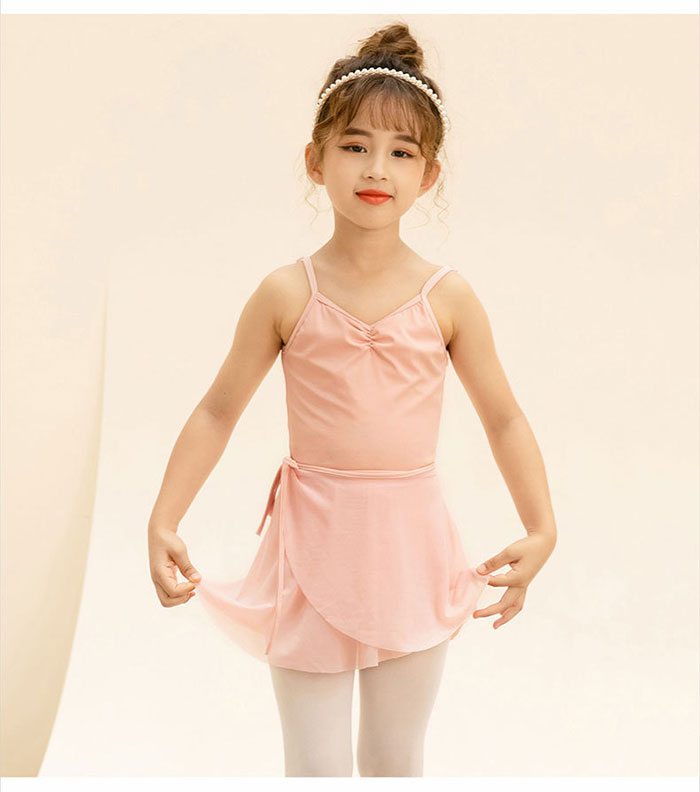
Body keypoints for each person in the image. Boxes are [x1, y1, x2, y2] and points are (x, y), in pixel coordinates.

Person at [147, 22, 557, 778]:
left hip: (412, 551)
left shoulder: (448, 298)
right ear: (315, 160)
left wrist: (542, 526)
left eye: (402, 152)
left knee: (395, 758)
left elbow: (505, 418)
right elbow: (216, 411)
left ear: (428, 175)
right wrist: (164, 516)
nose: (377, 168)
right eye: (355, 144)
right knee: (316, 766)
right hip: (311, 548)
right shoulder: (285, 293)